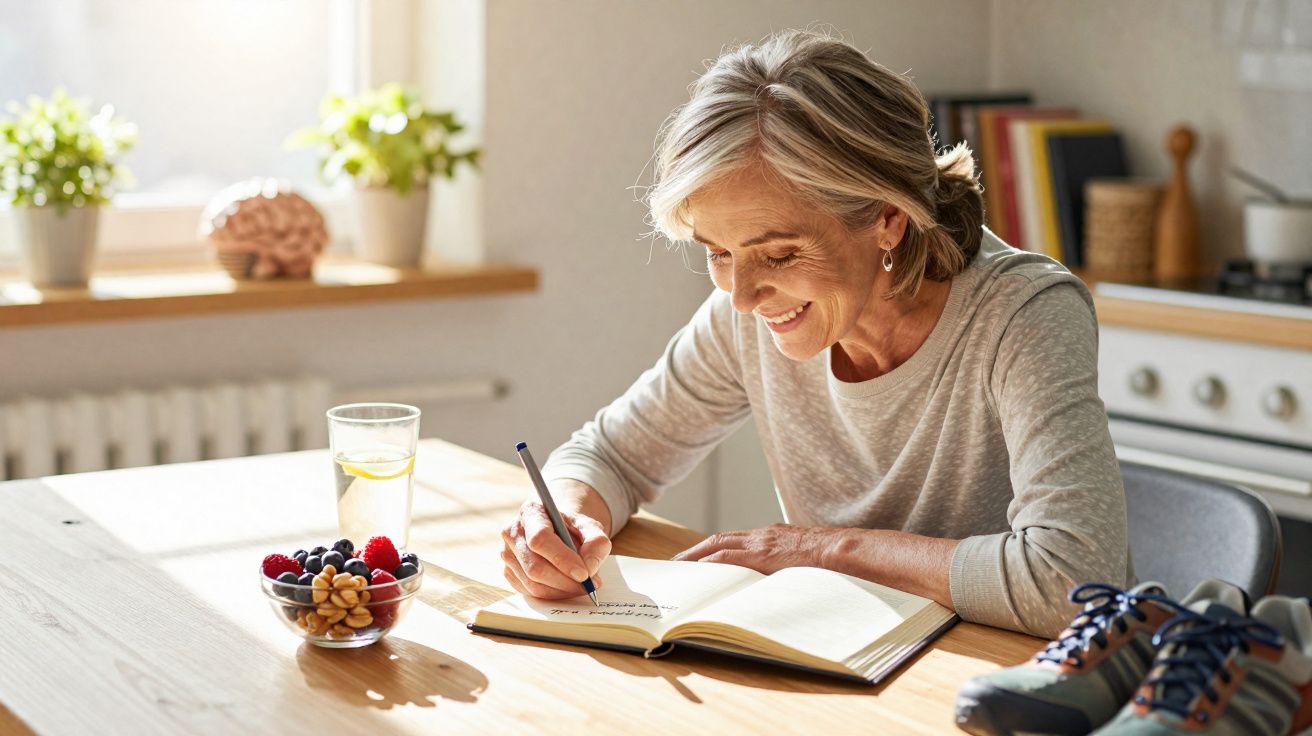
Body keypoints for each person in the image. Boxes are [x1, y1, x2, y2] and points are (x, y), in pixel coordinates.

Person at [500, 29, 1130, 638]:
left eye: (777, 255)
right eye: (717, 251)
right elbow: (611, 454)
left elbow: (1072, 580)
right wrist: (560, 517)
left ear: (888, 217)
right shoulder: (749, 314)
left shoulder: (1023, 314)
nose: (741, 297)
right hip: (851, 658)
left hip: (1022, 681)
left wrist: (820, 549)